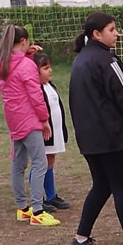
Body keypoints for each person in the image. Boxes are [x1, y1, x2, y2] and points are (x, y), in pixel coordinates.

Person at [68, 12, 123, 245]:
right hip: (113, 139)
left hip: (89, 140)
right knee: (122, 189)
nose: (117, 34)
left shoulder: (81, 60)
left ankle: (81, 238)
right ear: (96, 34)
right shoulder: (107, 61)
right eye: (112, 29)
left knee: (102, 186)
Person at [0, 25, 59, 227]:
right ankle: (38, 211)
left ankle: (23, 208)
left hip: (13, 119)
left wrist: (28, 55)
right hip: (29, 119)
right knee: (40, 163)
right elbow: (35, 95)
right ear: (23, 42)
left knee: (19, 164)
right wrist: (44, 119)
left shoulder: (2, 64)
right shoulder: (26, 66)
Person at [32, 53, 71, 211]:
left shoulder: (50, 86)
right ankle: (38, 198)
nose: (50, 71)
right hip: (44, 134)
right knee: (40, 164)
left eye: (50, 67)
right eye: (45, 68)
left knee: (50, 161)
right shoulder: (36, 88)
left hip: (55, 131)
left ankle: (51, 196)